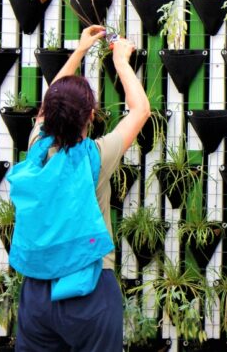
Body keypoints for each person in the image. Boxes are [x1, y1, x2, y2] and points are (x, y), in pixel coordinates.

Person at [13, 26, 150, 352]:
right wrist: (121, 61)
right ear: (91, 115)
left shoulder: (36, 151)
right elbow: (140, 110)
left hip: (37, 293)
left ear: (46, 117)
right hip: (89, 288)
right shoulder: (96, 159)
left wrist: (79, 50)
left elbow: (50, 103)